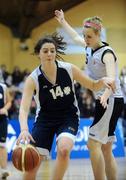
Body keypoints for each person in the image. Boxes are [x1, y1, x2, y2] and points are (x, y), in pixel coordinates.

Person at [16, 33, 115, 180]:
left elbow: (93, 85)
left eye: (52, 50)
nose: (49, 54)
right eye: (45, 51)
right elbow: (23, 109)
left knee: (63, 150)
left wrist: (103, 80)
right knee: (33, 163)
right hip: (45, 120)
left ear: (56, 52)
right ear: (38, 54)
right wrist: (24, 129)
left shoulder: (69, 69)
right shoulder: (33, 78)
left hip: (68, 117)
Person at [55, 10, 124, 180]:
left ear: (98, 34)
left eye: (89, 37)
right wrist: (63, 21)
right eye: (84, 36)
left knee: (92, 144)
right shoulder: (89, 47)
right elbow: (74, 37)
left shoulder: (106, 53)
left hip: (111, 99)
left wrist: (105, 96)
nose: (85, 40)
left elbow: (112, 80)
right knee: (106, 149)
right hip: (107, 99)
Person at [0, 82, 12, 179]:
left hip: (2, 119)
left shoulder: (3, 87)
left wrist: (4, 108)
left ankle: (3, 170)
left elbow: (9, 101)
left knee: (2, 145)